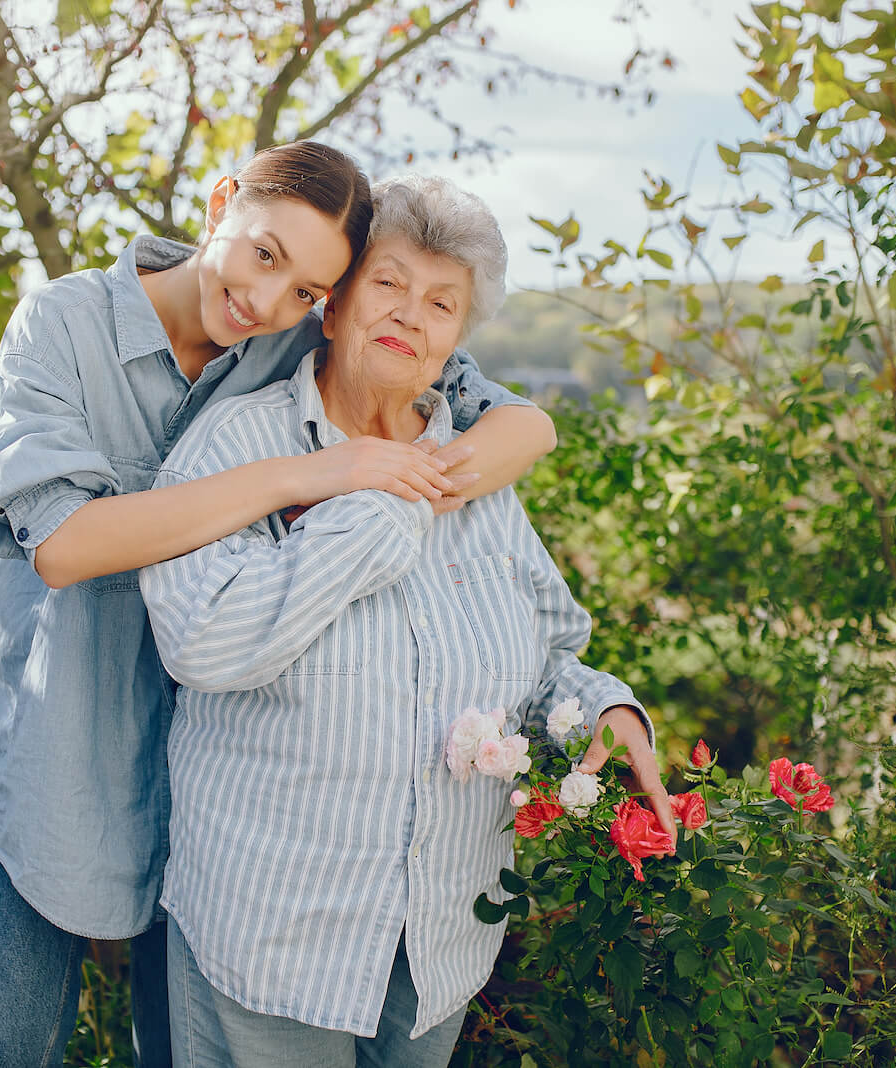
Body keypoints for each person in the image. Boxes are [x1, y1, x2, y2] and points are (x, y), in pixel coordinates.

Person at [0, 142, 558, 1067]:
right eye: (264, 254)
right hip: (77, 735)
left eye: (308, 288)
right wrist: (307, 474)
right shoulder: (65, 323)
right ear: (221, 201)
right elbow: (66, 546)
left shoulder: (292, 328)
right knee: (16, 1041)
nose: (268, 300)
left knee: (178, 1041)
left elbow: (515, 418)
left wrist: (433, 478)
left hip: (225, 771)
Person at [138, 174, 676, 1067]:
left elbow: (543, 652)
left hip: (438, 943)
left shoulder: (476, 467)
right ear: (335, 302)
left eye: (441, 303)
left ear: (458, 339)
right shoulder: (237, 446)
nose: (409, 315)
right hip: (268, 936)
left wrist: (603, 706)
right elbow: (203, 644)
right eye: (388, 283)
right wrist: (385, 502)